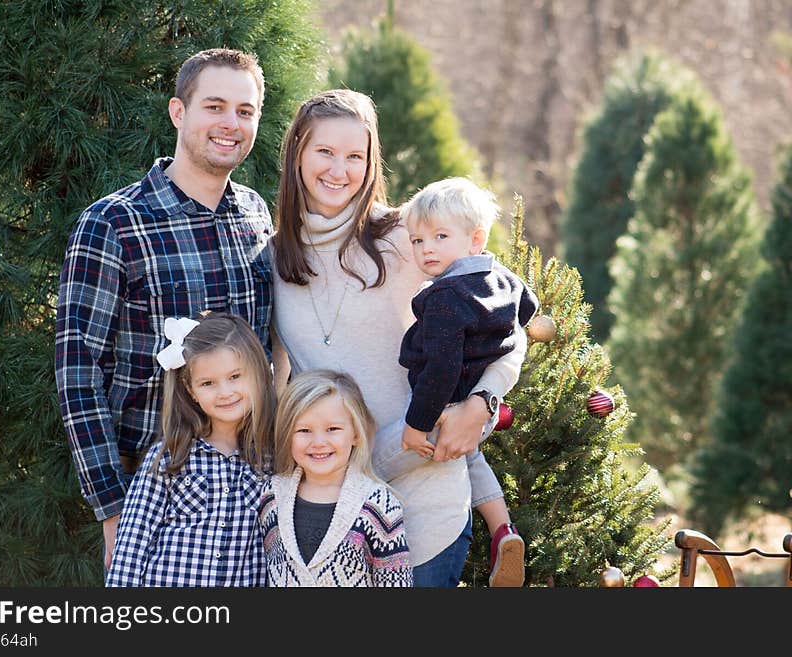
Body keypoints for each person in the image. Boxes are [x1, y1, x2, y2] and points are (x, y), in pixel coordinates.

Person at [270, 89, 527, 587]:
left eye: (355, 156)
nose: (338, 170)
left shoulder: (410, 235)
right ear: (297, 152)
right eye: (324, 151)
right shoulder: (273, 258)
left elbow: (506, 322)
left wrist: (484, 403)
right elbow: (279, 387)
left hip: (425, 509)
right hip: (332, 525)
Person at [55, 48, 273, 573]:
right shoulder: (112, 223)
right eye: (214, 107)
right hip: (151, 499)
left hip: (251, 489)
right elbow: (76, 370)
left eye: (245, 111)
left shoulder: (256, 215)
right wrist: (113, 509)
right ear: (179, 112)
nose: (230, 124)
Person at [398, 177, 539, 587]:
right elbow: (527, 307)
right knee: (473, 458)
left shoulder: (445, 296)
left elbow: (440, 368)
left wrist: (417, 423)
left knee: (465, 457)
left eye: (440, 237)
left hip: (455, 401)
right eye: (418, 240)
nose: (427, 250)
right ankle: (503, 531)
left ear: (475, 238)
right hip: (485, 398)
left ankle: (501, 533)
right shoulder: (500, 276)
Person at [106, 311, 275, 586]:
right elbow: (132, 543)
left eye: (235, 376)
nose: (224, 392)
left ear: (257, 373)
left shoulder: (272, 460)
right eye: (208, 383)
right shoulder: (171, 455)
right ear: (191, 390)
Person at [259, 369, 412, 586]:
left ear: (356, 434)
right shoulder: (271, 496)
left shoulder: (379, 506)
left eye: (332, 429)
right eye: (304, 430)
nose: (319, 441)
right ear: (287, 434)